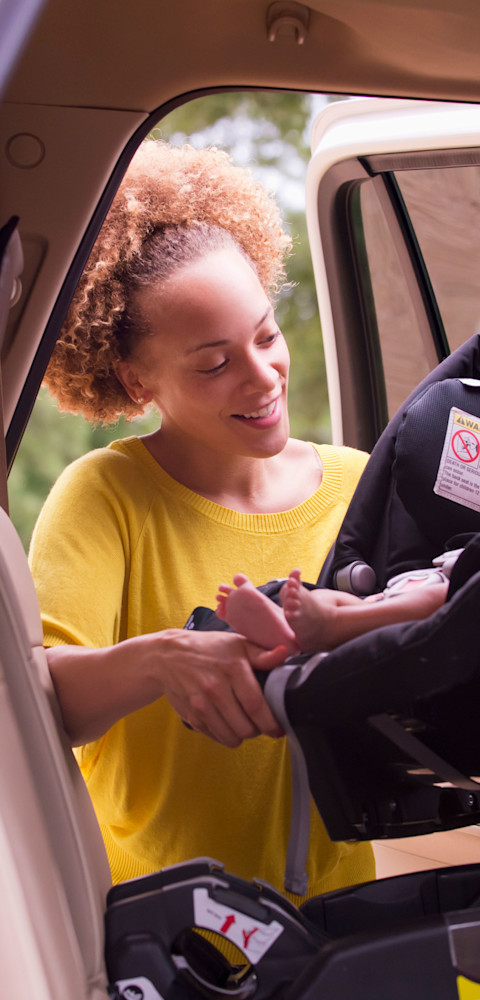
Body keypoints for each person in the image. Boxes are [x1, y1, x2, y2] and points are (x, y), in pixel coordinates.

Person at [28, 140, 375, 902]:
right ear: (136, 379)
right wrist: (161, 659)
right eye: (213, 364)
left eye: (266, 335)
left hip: (342, 916)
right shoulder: (107, 495)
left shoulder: (358, 481)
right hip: (163, 931)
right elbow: (39, 699)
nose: (261, 377)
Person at [214, 446, 480, 654]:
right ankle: (286, 627)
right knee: (335, 595)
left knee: (436, 598)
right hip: (413, 588)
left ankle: (328, 628)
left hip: (449, 604)